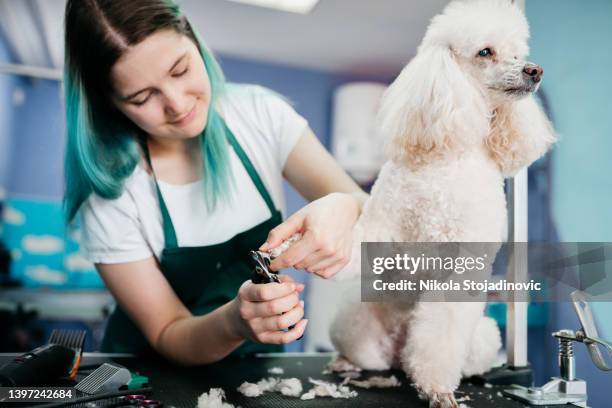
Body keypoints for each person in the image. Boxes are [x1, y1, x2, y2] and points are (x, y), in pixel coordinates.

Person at [63, 0, 367, 364]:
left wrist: (345, 205)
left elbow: (368, 209)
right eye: (143, 97)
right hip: (148, 376)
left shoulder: (260, 116)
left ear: (193, 39)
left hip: (256, 367)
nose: (176, 104)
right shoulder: (110, 195)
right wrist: (235, 322)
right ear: (110, 104)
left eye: (180, 70)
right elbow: (167, 331)